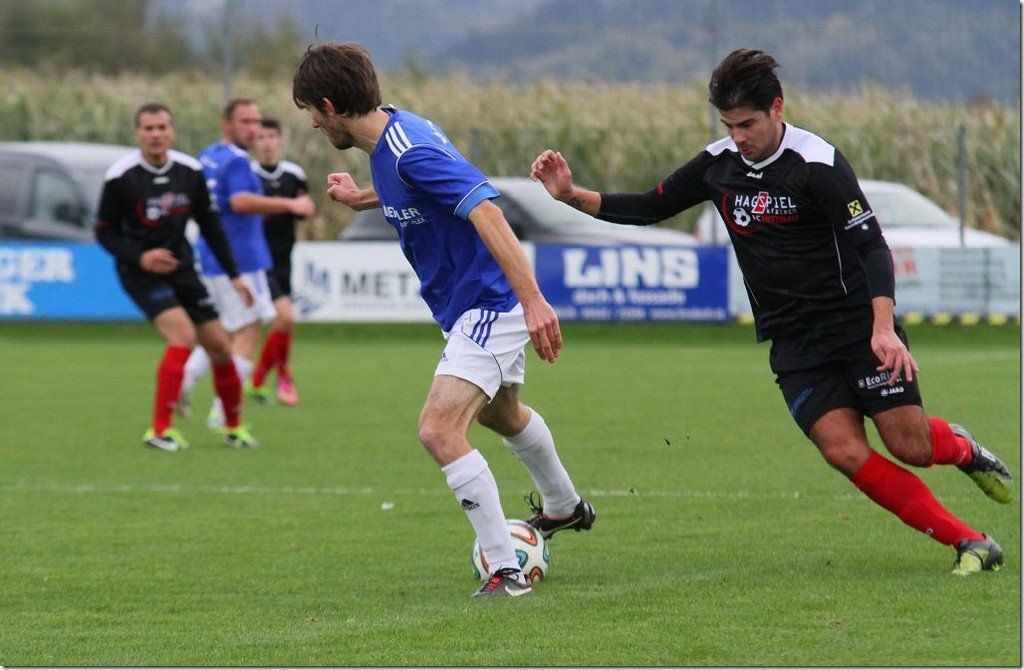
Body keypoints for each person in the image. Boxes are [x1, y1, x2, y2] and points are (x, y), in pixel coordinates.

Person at [529, 49, 1013, 576]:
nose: (738, 136)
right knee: (843, 451)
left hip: (857, 327)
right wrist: (569, 195)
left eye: (748, 124)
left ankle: (961, 448)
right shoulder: (717, 166)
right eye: (729, 125)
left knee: (910, 446)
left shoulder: (818, 165)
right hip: (794, 341)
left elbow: (872, 245)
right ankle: (970, 542)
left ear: (777, 108)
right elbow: (649, 206)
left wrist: (883, 328)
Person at [291, 43, 595, 597]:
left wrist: (532, 300)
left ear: (330, 106)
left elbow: (486, 209)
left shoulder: (408, 149)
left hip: (488, 303)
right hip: (467, 305)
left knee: (438, 430)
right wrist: (360, 198)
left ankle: (506, 571)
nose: (312, 123)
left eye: (311, 111)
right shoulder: (393, 134)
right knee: (501, 414)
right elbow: (415, 189)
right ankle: (564, 506)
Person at [95, 102, 257, 452]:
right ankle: (159, 431)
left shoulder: (189, 171)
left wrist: (234, 275)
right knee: (182, 336)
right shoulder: (121, 176)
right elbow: (104, 232)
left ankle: (233, 428)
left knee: (220, 346)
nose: (156, 134)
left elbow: (211, 226)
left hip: (182, 269)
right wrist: (141, 257)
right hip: (140, 272)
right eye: (148, 128)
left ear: (172, 132)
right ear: (138, 133)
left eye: (162, 127)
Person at [178, 98, 315, 431]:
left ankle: (184, 381)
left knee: (223, 329)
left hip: (212, 255)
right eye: (246, 122)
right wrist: (289, 205)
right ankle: (223, 410)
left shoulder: (209, 155)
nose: (254, 129)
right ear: (227, 124)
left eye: (256, 121)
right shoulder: (239, 161)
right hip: (241, 258)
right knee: (247, 332)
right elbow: (239, 202)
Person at [248, 117, 314, 406]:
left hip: (283, 258)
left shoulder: (293, 174)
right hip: (256, 259)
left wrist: (304, 208)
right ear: (254, 142)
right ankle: (272, 378)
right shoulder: (248, 174)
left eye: (272, 137)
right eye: (261, 138)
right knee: (285, 317)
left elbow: (305, 208)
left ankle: (264, 381)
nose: (267, 143)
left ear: (280, 140)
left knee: (283, 322)